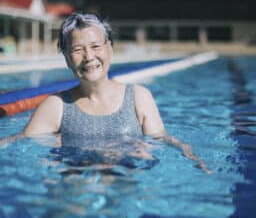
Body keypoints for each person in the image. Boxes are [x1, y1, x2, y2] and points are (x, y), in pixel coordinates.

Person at [0, 13, 210, 173]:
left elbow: (159, 139)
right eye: (77, 50)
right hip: (76, 185)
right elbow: (20, 141)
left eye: (95, 46)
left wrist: (186, 151)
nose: (89, 56)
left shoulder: (138, 97)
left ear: (109, 48)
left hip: (125, 181)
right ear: (65, 56)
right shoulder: (56, 105)